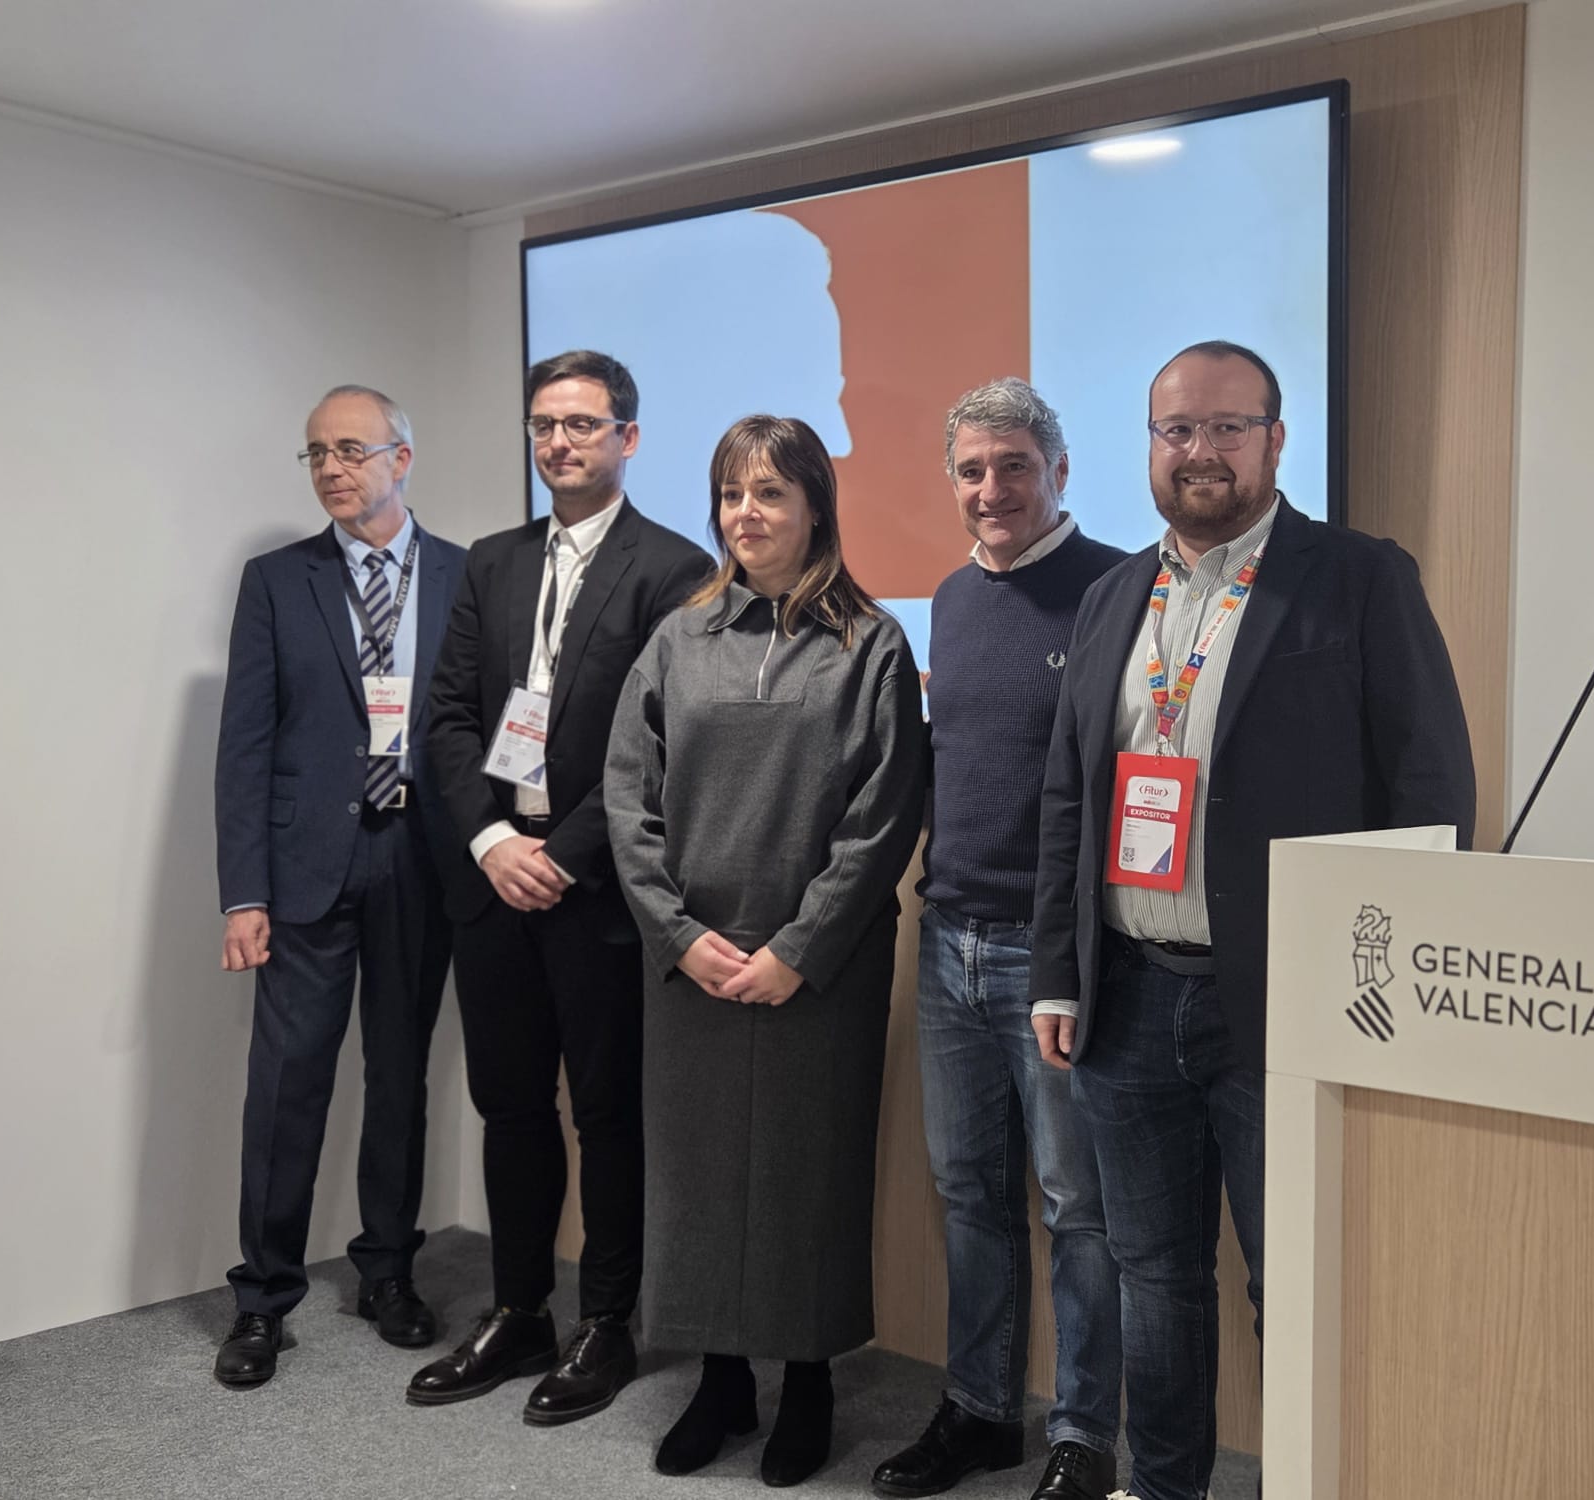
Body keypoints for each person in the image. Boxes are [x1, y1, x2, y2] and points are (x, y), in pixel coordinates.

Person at [1029, 342, 1475, 1500]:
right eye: (1176, 430)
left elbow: (1429, 788)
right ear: (1148, 447)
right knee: (1153, 1276)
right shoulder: (1111, 594)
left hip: (1288, 1003)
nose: (1200, 452)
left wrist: (1394, 982)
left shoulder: (1357, 578)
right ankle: (1162, 1485)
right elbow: (1071, 796)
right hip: (1126, 995)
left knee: (1300, 1281)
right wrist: (1056, 975)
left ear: (1276, 440)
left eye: (1227, 428)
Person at [605, 414, 927, 1488]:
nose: (749, 515)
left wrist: (798, 946)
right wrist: (680, 935)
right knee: (695, 1180)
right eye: (733, 494)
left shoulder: (870, 645)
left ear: (814, 508)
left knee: (807, 1178)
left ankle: (812, 1384)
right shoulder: (676, 639)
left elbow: (882, 817)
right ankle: (723, 1382)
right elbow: (626, 802)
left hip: (814, 973)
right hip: (691, 969)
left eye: (772, 494)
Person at [415, 351, 711, 1424]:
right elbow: (446, 719)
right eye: (544, 424)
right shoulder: (490, 566)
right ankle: (516, 1310)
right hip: (495, 880)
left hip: (595, 895)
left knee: (607, 1115)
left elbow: (663, 747)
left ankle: (607, 1323)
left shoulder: (673, 570)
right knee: (508, 1107)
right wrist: (493, 839)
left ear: (626, 437)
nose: (559, 443)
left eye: (582, 424)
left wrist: (563, 853)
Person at [872, 379, 1126, 1500]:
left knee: (1077, 1207)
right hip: (948, 943)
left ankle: (1080, 1434)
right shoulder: (948, 597)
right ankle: (979, 1412)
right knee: (968, 1191)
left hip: (1054, 955)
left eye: (1012, 465)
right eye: (970, 470)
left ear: (1057, 471)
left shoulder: (1117, 589)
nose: (990, 490)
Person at [211, 385, 466, 1388]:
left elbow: (484, 724)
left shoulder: (463, 575)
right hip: (306, 866)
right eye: (315, 453)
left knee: (399, 1079)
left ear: (402, 457)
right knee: (286, 1088)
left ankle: (389, 1274)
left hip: (421, 858)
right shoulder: (278, 581)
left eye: (351, 449)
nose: (331, 469)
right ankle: (263, 1297)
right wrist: (242, 893)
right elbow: (244, 745)